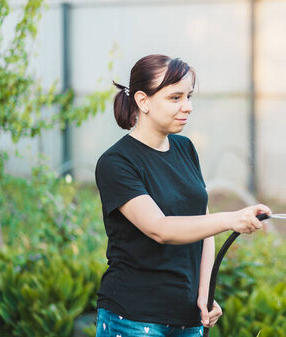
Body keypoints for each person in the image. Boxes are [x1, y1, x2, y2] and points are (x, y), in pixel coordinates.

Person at [94, 54, 271, 337]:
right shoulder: (116, 163)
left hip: (187, 318)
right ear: (143, 101)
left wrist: (204, 295)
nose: (187, 107)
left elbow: (204, 224)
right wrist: (230, 219)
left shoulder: (185, 148)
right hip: (133, 319)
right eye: (175, 97)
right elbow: (159, 228)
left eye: (188, 96)